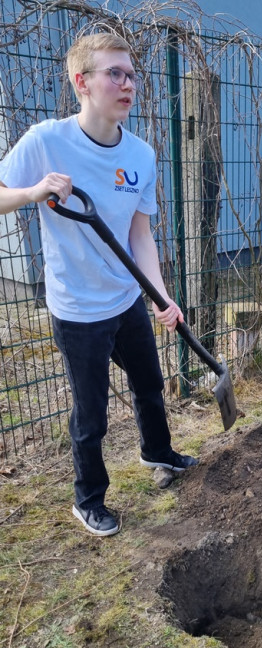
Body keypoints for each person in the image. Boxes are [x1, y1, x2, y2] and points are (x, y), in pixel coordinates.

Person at [0, 33, 198, 537]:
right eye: (114, 73)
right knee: (91, 414)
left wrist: (160, 294)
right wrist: (32, 191)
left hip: (127, 297)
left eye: (131, 74)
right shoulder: (47, 140)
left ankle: (159, 453)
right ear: (80, 82)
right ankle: (88, 499)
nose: (127, 83)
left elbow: (140, 233)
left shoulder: (141, 155)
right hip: (78, 308)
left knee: (150, 386)